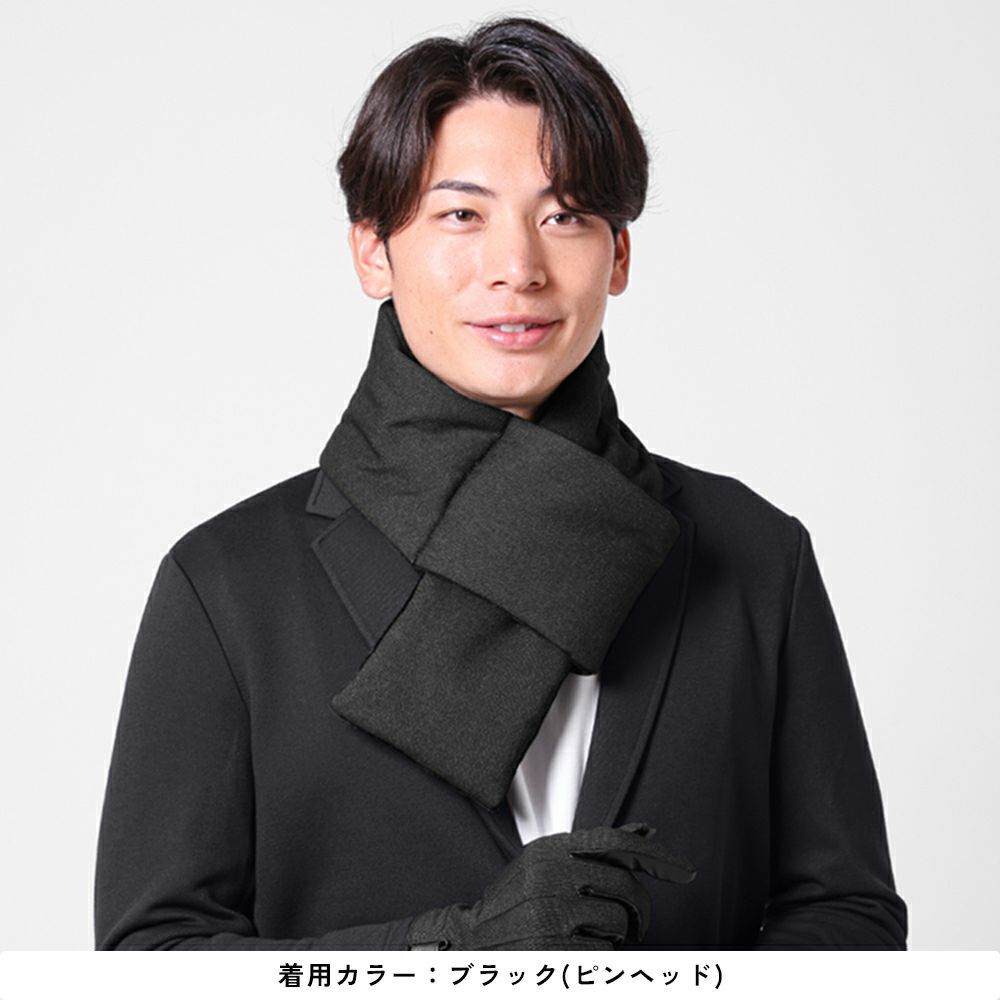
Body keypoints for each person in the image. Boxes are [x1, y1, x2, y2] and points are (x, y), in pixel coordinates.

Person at [94, 16, 907, 950]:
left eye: (564, 216)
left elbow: (848, 913)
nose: (518, 268)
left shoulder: (756, 557)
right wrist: (449, 952)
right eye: (462, 215)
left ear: (620, 255)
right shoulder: (229, 586)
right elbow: (153, 955)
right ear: (373, 250)